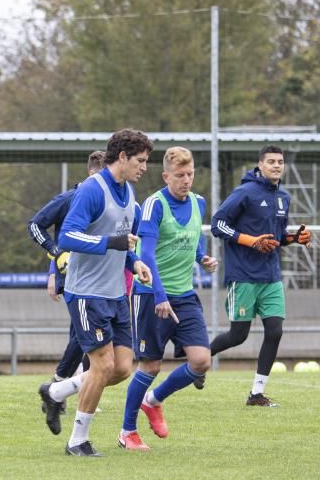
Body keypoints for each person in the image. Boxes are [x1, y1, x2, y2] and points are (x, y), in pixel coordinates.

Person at [49, 128, 153, 457]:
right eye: (140, 160)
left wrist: (134, 262)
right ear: (121, 157)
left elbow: (122, 240)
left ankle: (54, 393)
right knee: (103, 366)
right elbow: (66, 238)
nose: (144, 167)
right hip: (86, 293)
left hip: (114, 294)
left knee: (122, 368)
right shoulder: (92, 191)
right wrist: (112, 244)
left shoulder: (129, 192)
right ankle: (77, 441)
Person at [118, 146, 218, 451]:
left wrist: (202, 257)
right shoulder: (154, 205)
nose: (186, 180)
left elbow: (193, 238)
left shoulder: (199, 203)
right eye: (179, 175)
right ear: (166, 176)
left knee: (201, 361)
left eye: (190, 175)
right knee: (150, 366)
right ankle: (127, 431)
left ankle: (154, 400)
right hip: (151, 295)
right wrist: (159, 295)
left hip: (184, 295)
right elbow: (146, 254)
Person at [210, 145, 310, 407]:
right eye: (271, 161)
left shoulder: (283, 197)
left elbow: (276, 239)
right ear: (260, 165)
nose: (277, 165)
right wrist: (250, 240)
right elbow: (217, 224)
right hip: (243, 275)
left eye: (280, 162)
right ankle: (199, 358)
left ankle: (256, 394)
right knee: (238, 336)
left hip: (270, 277)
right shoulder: (244, 192)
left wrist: (294, 238)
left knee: (275, 331)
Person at [27, 150, 105, 434]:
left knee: (91, 338)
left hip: (103, 278)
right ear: (90, 173)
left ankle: (63, 388)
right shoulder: (71, 198)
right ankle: (59, 386)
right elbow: (36, 226)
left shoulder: (116, 198)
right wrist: (54, 257)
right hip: (76, 277)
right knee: (82, 336)